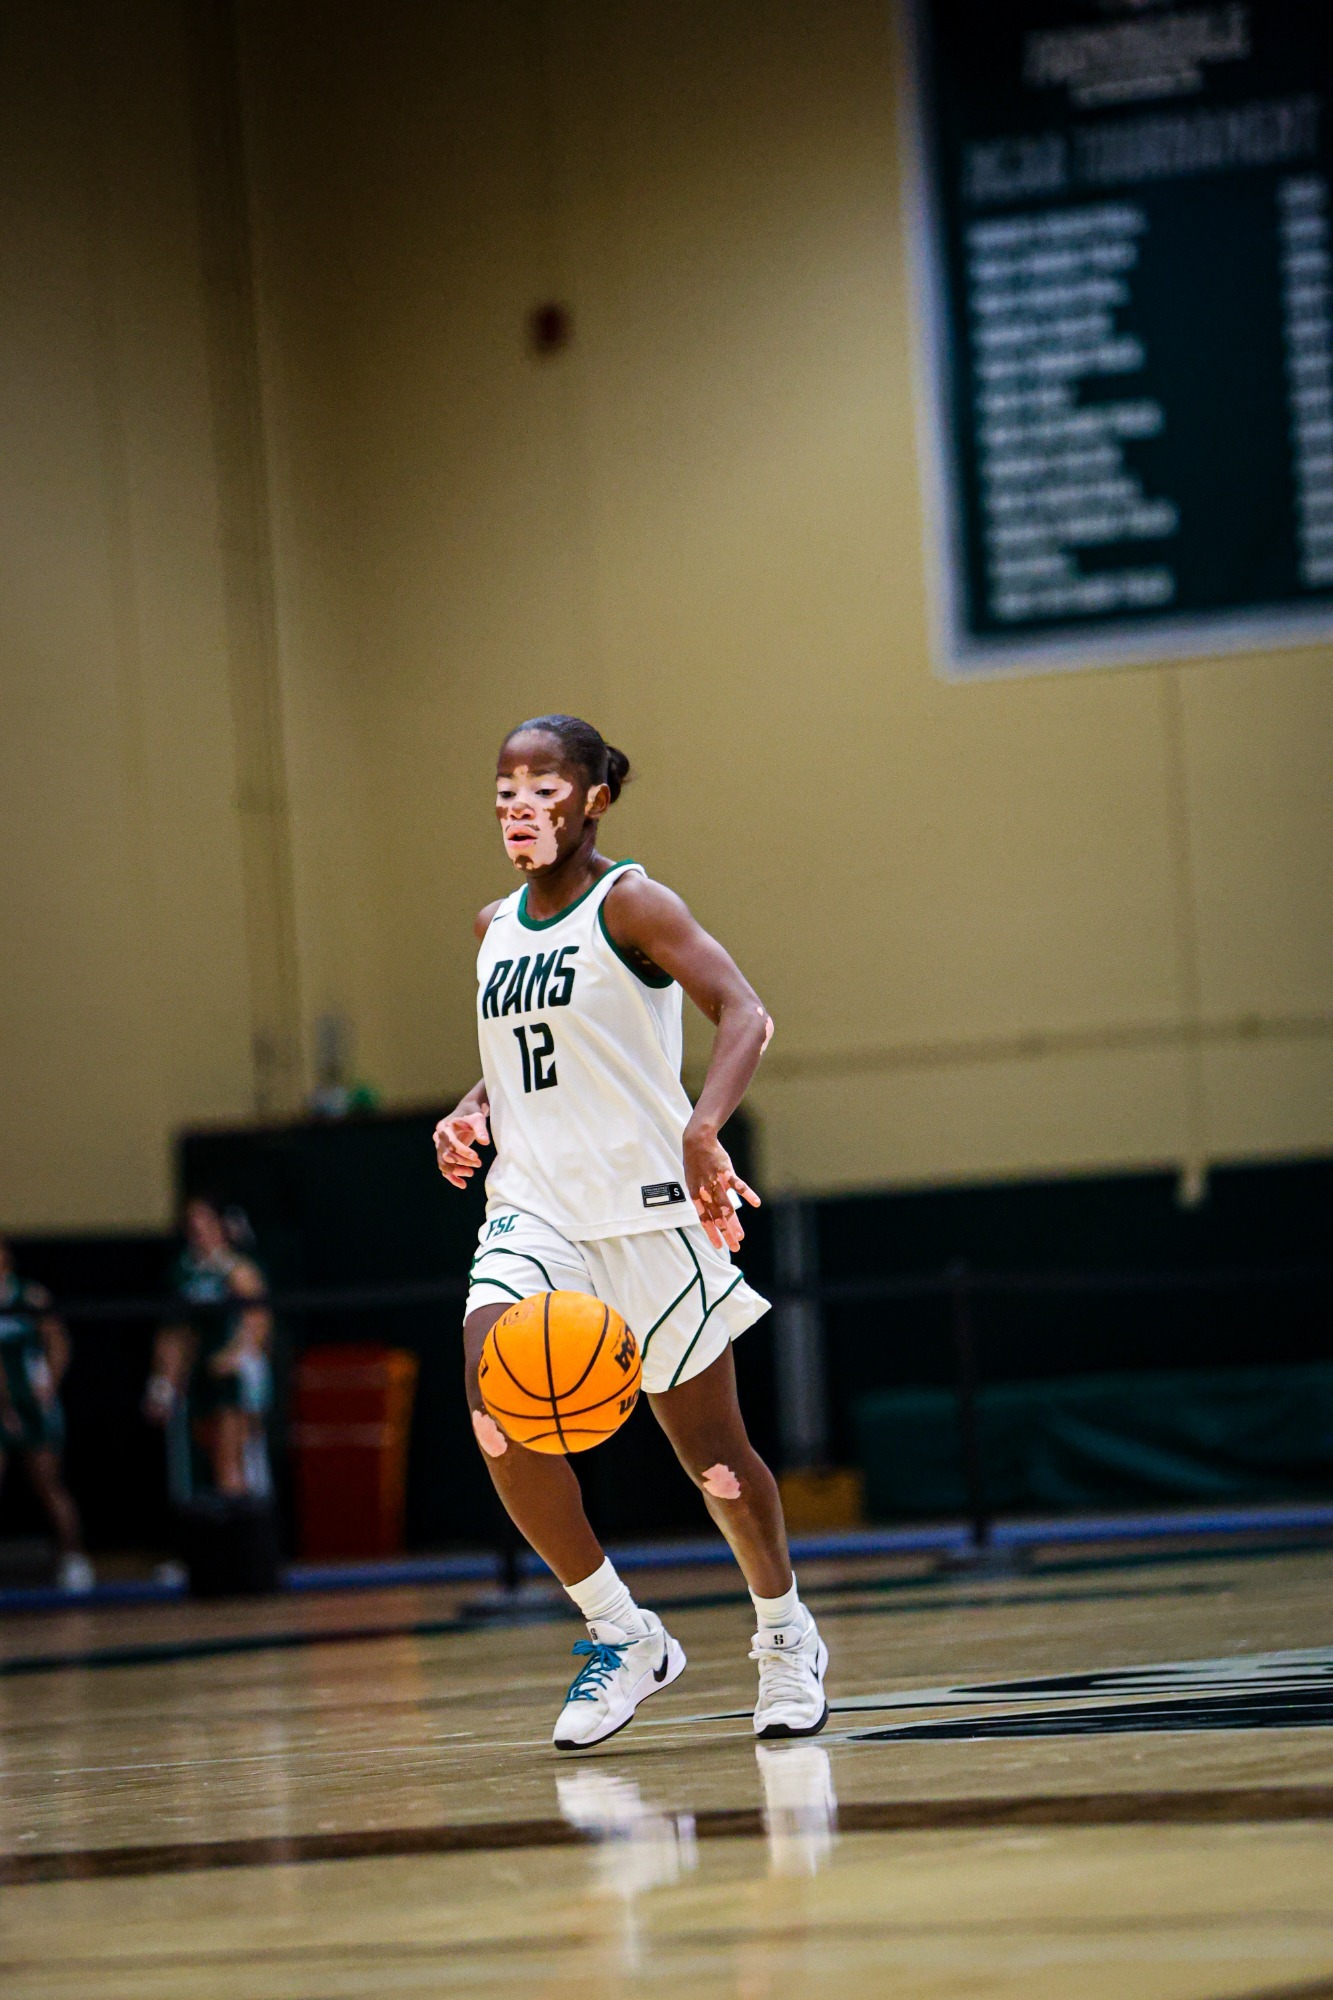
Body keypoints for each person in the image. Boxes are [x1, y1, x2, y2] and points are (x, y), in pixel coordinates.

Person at [433, 713, 828, 1750]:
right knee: (493, 1409)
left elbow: (744, 1012)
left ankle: (784, 1632)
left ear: (592, 797)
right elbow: (529, 1055)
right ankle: (622, 1630)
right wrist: (474, 1106)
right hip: (535, 1207)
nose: (521, 802)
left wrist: (704, 1125)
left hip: (647, 1212)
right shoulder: (491, 927)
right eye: (507, 784)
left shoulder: (633, 902)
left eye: (544, 784)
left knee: (716, 1462)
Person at [144, 1197, 273, 1497]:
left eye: (205, 1222)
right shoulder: (184, 1272)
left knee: (233, 1459)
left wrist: (239, 1353)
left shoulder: (236, 1269)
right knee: (209, 1455)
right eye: (192, 1224)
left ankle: (243, 1530)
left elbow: (258, 1318)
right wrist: (163, 1382)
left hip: (233, 1376)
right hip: (199, 1376)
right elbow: (174, 1332)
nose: (198, 1230)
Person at [0, 1237, 93, 1591]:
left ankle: (74, 1558)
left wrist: (49, 1384)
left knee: (48, 1484)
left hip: (34, 1405)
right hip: (1, 1408)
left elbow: (58, 1341)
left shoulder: (30, 1296)